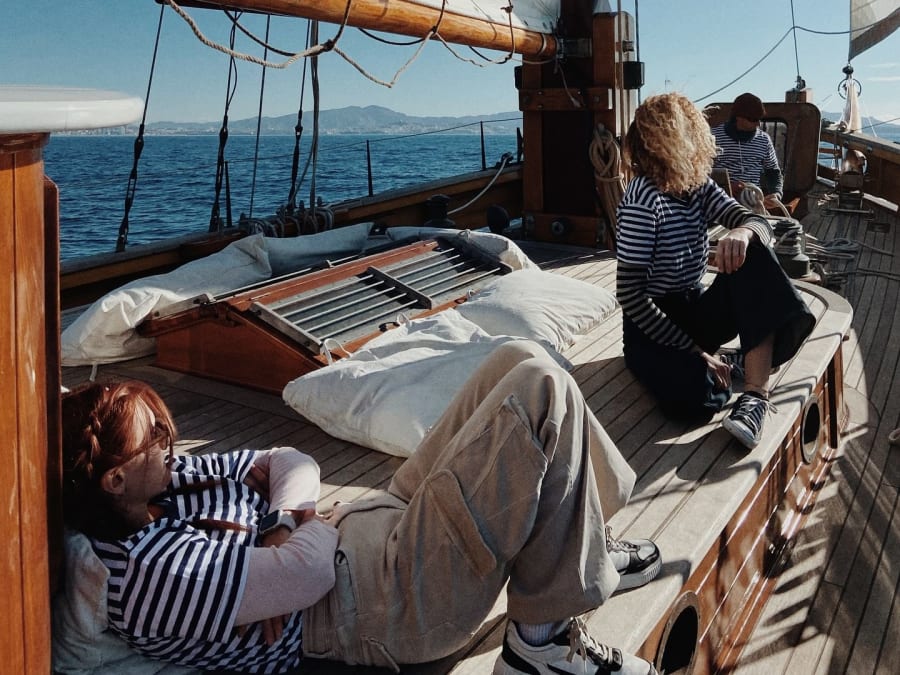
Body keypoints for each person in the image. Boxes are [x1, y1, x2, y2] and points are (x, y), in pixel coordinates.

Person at [61, 340, 662, 675]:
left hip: (369, 526)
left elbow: (290, 459)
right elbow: (308, 573)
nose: (174, 443)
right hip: (382, 606)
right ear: (114, 479)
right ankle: (541, 645)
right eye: (156, 439)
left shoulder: (167, 484)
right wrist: (302, 527)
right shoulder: (147, 574)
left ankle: (579, 534)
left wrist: (281, 525)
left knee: (519, 357)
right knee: (541, 395)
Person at [616, 92, 815, 447]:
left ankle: (755, 396)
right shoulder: (641, 198)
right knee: (694, 402)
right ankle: (729, 362)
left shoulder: (697, 186)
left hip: (693, 306)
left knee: (753, 252)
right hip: (651, 321)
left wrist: (743, 231)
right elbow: (630, 295)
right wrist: (693, 350)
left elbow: (756, 220)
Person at [710, 92, 784, 212]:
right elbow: (701, 173)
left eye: (759, 119)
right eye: (753, 119)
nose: (758, 124)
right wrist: (726, 187)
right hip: (719, 203)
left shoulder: (764, 139)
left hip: (753, 204)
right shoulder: (713, 137)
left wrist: (776, 193)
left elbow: (773, 172)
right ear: (738, 117)